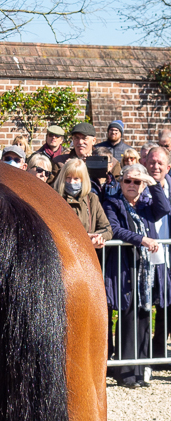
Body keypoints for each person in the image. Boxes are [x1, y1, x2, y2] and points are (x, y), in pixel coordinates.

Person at [102, 164, 169, 388]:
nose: (132, 185)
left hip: (146, 269)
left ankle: (141, 372)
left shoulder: (147, 205)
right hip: (124, 265)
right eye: (128, 181)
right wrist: (142, 239)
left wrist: (152, 182)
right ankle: (126, 373)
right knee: (127, 315)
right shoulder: (113, 202)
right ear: (121, 183)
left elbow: (165, 208)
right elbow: (114, 229)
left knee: (143, 316)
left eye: (137, 182)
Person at [143, 146, 171, 361]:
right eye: (152, 162)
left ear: (168, 167)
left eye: (160, 163)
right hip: (145, 256)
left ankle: (161, 354)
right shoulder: (136, 184)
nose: (156, 166)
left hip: (169, 257)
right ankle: (145, 355)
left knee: (168, 308)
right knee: (146, 305)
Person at [53, 159, 112, 249]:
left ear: (83, 179)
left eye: (76, 178)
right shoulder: (55, 198)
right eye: (68, 178)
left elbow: (107, 229)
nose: (72, 182)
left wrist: (97, 238)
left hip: (87, 255)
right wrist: (84, 238)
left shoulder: (92, 199)